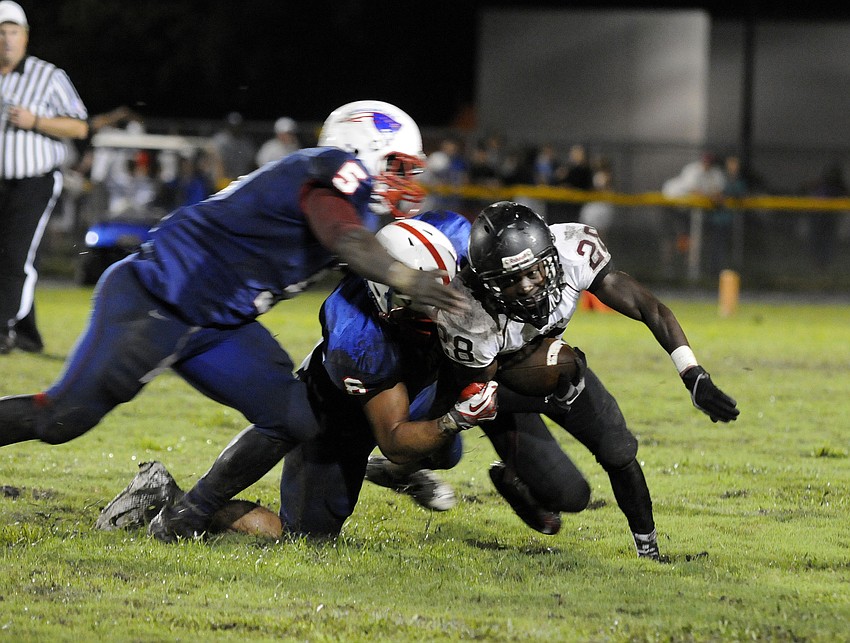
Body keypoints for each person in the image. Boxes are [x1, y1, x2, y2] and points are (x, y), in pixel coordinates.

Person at [0, 100, 468, 519]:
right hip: (154, 301)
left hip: (218, 326)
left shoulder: (353, 206)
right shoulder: (329, 171)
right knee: (60, 420)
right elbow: (343, 237)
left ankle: (189, 513)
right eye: (396, 166)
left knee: (294, 417)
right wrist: (407, 278)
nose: (404, 182)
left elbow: (350, 241)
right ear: (362, 150)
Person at [147, 211, 497, 541]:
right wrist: (455, 419)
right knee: (307, 536)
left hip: (418, 368)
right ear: (387, 296)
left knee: (444, 455)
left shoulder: (452, 236)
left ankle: (394, 476)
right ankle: (174, 497)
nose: (439, 308)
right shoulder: (358, 339)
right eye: (424, 298)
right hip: (344, 411)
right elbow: (395, 441)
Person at [434, 201, 739, 559]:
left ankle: (649, 552)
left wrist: (692, 373)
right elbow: (481, 397)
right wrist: (546, 383)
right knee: (570, 498)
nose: (529, 286)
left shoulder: (571, 251)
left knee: (619, 450)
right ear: (488, 283)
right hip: (507, 389)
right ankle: (514, 477)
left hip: (562, 371)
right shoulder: (467, 313)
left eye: (534, 271)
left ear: (549, 256)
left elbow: (648, 307)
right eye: (512, 280)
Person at [0, 0, 89, 354]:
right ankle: (27, 334)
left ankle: (2, 329)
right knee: (13, 258)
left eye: (13, 32)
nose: (7, 40)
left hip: (33, 179)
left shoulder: (47, 76)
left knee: (14, 255)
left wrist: (36, 121)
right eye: (1, 32)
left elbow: (79, 125)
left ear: (25, 37)